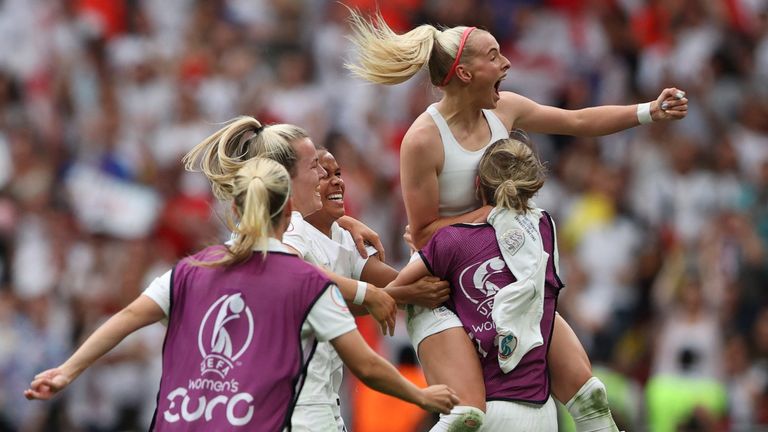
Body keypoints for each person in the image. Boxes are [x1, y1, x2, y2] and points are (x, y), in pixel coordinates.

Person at [345, 11, 688, 431]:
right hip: (447, 282)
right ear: (466, 73)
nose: (507, 64)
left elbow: (576, 121)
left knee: (590, 396)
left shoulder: (504, 109)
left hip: (513, 269)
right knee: (465, 416)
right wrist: (496, 212)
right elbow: (423, 234)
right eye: (494, 56)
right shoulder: (423, 140)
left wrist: (648, 110)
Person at [23, 157, 459, 431]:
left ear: (234, 210)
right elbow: (365, 365)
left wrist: (67, 370)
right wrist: (421, 397)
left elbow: (124, 318)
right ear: (289, 210)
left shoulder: (191, 270)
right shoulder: (306, 282)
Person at [182, 118, 450, 432]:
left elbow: (348, 294)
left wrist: (419, 255)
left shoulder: (328, 234)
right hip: (292, 410)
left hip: (306, 406)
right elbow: (298, 276)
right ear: (285, 179)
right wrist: (386, 296)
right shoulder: (287, 234)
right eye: (316, 168)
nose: (328, 177)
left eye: (335, 172)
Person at [391, 137, 563, 430]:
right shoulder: (545, 228)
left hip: (485, 407)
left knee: (424, 308)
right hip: (543, 414)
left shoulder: (451, 242)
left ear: (477, 185)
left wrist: (422, 249)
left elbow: (393, 292)